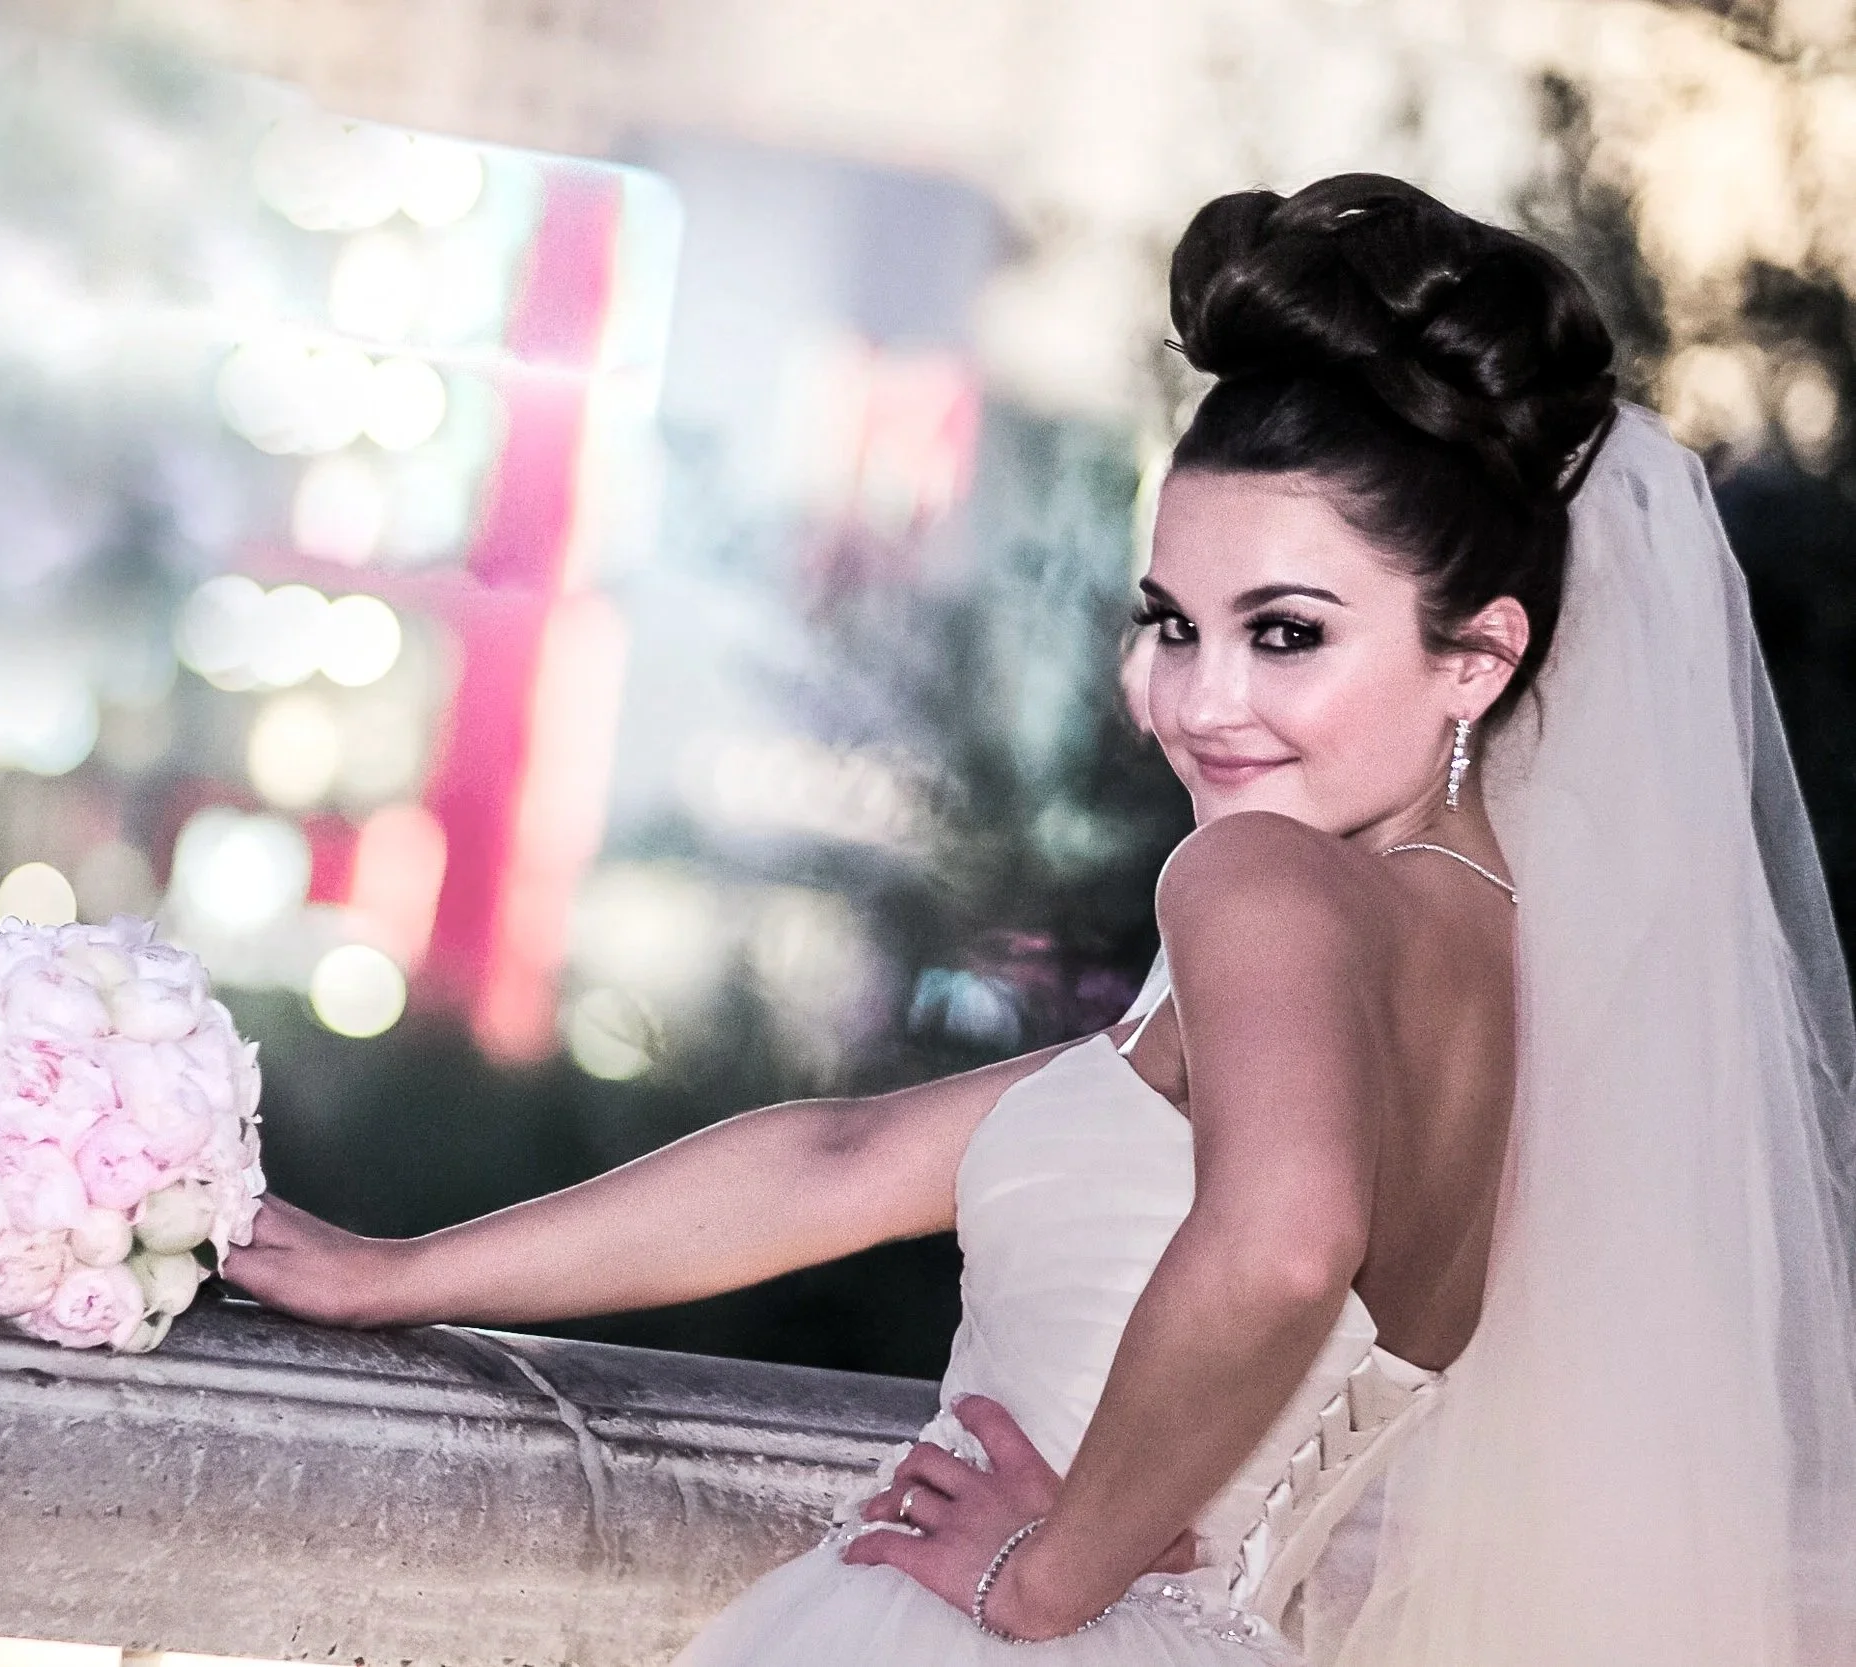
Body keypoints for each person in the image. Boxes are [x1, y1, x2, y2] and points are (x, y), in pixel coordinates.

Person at [225, 174, 1856, 1666]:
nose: (1196, 700)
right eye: (1172, 623)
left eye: (1287, 633)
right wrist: (399, 1268)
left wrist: (1050, 1575)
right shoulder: (1492, 972)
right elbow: (849, 1156)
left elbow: (1287, 1240)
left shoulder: (1261, 882)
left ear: (1479, 655)